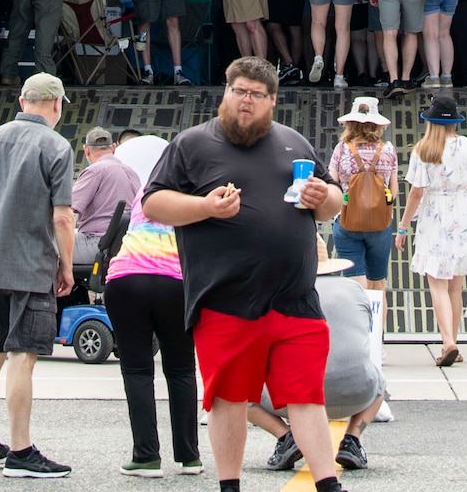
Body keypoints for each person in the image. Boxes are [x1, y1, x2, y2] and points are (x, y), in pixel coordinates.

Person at [143, 57, 346, 492]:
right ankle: (230, 486)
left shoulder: (294, 142)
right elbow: (153, 204)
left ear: (273, 101)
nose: (245, 100)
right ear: (226, 93)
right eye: (238, 91)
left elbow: (334, 202)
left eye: (256, 94)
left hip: (295, 299)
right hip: (225, 299)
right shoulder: (192, 145)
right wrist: (205, 207)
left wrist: (322, 196)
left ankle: (329, 486)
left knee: (307, 397)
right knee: (229, 399)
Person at [0, 72, 76, 479]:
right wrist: (65, 265)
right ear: (57, 104)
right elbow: (62, 216)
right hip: (31, 266)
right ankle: (22, 452)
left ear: (21, 101)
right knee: (22, 359)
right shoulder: (56, 146)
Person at [248, 254, 385, 474]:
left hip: (298, 400)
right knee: (380, 384)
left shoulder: (282, 291)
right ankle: (352, 440)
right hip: (356, 393)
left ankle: (285, 437)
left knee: (241, 390)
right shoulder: (354, 288)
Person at [104, 180, 202, 477]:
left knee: (136, 370)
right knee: (181, 368)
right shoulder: (197, 197)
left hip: (127, 277)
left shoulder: (145, 191)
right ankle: (189, 457)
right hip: (175, 279)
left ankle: (146, 456)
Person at [395, 91, 467, 367]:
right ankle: (455, 342)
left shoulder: (423, 149)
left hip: (435, 215)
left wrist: (403, 227)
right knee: (456, 286)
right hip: (464, 213)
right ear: (455, 122)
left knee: (436, 283)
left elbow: (415, 192)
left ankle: (447, 341)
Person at [328, 97, 398, 337]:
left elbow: (332, 185)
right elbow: (395, 191)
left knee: (356, 286)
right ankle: (377, 343)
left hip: (347, 222)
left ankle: (359, 339)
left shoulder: (342, 150)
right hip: (380, 225)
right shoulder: (387, 150)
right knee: (378, 284)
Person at [71, 128, 142, 286]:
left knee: (42, 244)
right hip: (124, 246)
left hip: (96, 245)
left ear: (86, 150)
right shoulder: (132, 173)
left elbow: (65, 210)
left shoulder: (94, 171)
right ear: (114, 147)